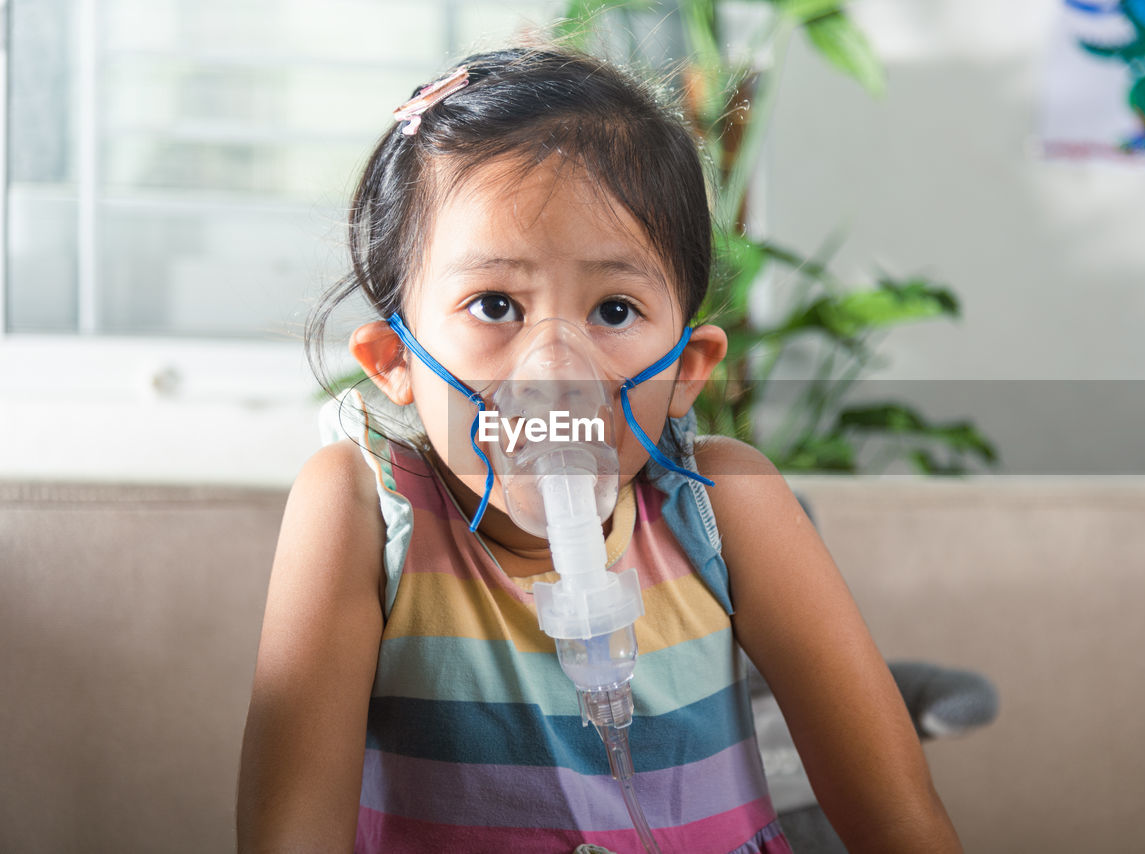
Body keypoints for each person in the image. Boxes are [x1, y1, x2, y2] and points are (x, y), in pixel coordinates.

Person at [236, 45, 962, 854]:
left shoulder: (726, 507)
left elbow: (900, 819)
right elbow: (289, 835)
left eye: (614, 311)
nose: (554, 370)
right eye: (496, 303)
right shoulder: (364, 513)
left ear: (686, 370)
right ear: (396, 361)